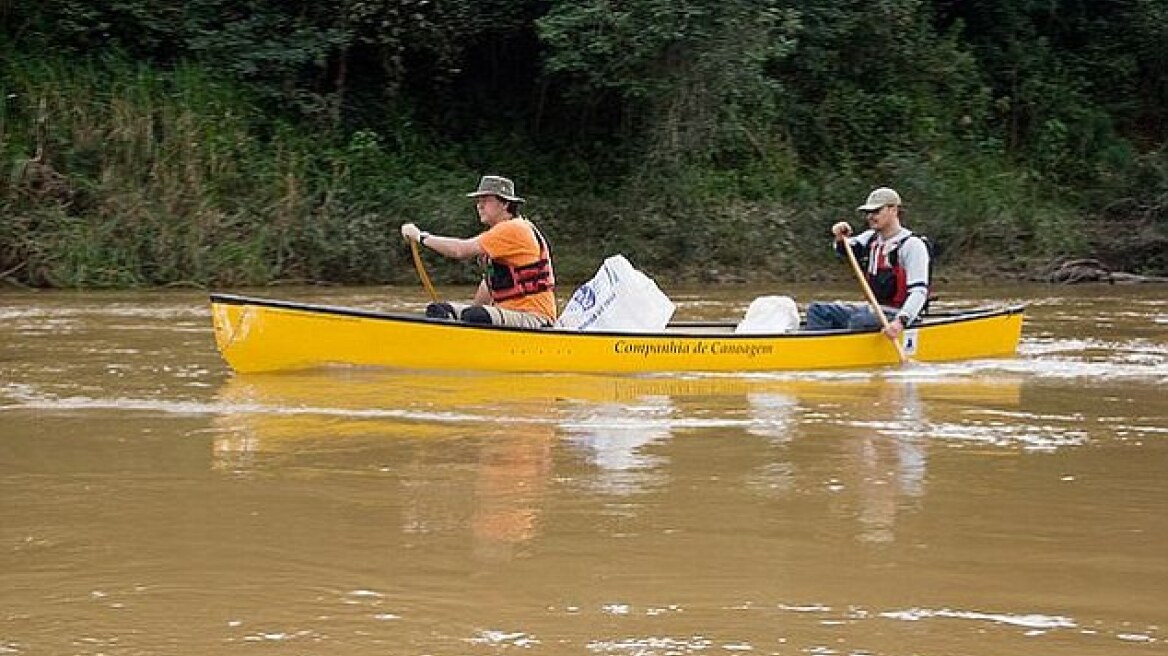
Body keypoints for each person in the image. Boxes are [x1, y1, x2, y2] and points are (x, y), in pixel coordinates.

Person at [400, 175, 557, 328]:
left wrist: (421, 237)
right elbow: (487, 286)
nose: (479, 206)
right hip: (507, 313)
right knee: (439, 310)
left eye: (486, 200)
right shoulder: (496, 236)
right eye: (479, 201)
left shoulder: (513, 229)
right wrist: (464, 320)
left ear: (505, 204)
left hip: (535, 317)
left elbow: (460, 250)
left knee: (475, 316)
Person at [805, 187, 931, 338]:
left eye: (876, 211)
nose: (870, 217)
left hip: (900, 314)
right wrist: (839, 236)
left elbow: (919, 292)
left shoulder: (912, 245)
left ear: (893, 210)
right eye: (868, 213)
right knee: (817, 310)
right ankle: (816, 347)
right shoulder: (870, 238)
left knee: (859, 321)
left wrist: (900, 322)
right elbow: (843, 248)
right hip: (874, 310)